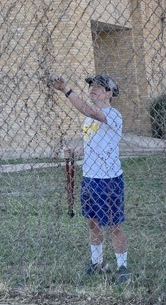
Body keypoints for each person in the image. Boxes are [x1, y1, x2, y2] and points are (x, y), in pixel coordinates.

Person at [49, 74, 130, 284]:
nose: (93, 89)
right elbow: (94, 144)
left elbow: (88, 110)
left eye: (99, 87)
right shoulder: (89, 119)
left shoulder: (113, 114)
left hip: (109, 179)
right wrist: (76, 152)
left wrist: (66, 89)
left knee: (115, 225)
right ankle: (98, 263)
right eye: (92, 86)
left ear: (110, 93)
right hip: (90, 177)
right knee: (93, 223)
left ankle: (123, 267)